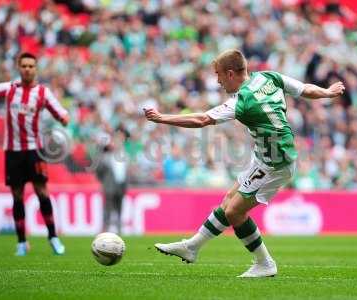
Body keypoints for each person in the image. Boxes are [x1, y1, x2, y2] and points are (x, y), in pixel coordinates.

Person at [144, 49, 345, 277]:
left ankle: (265, 263)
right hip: (266, 156)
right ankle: (192, 247)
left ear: (231, 74)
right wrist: (328, 93)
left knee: (234, 213)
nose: (218, 81)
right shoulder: (269, 77)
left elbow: (202, 119)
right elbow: (304, 89)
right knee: (229, 201)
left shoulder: (242, 101)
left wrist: (162, 118)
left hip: (276, 163)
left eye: (219, 75)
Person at [0, 52, 70, 256]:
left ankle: (53, 237)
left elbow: (60, 111)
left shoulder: (43, 93)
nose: (28, 69)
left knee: (42, 192)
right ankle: (21, 242)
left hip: (34, 151)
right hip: (12, 151)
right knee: (17, 195)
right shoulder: (9, 89)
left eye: (31, 66)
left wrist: (64, 117)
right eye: (24, 65)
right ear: (19, 68)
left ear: (36, 69)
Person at [95, 131, 128, 234]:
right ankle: (106, 227)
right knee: (108, 207)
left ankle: (119, 228)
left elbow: (125, 171)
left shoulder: (124, 155)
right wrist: (104, 182)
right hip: (109, 185)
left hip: (121, 185)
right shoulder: (105, 156)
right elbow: (99, 170)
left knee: (119, 207)